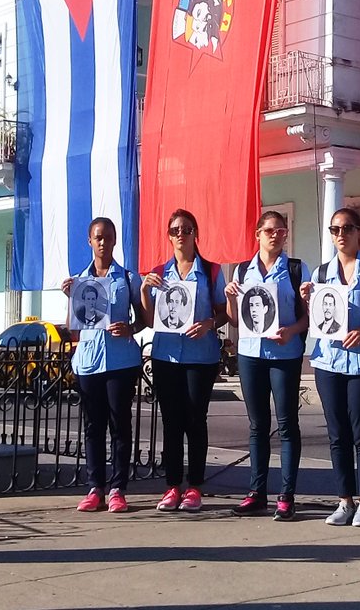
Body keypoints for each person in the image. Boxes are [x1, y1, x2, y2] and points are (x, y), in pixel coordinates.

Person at [303, 206, 360, 528]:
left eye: (348, 228)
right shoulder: (322, 273)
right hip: (329, 361)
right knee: (337, 434)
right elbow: (317, 317)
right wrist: (307, 299)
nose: (341, 234)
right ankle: (344, 500)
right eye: (335, 229)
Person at [140, 209, 228, 514]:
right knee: (171, 422)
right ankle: (172, 485)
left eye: (187, 229)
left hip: (200, 357)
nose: (181, 234)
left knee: (195, 420)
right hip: (166, 355)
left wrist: (208, 324)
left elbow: (223, 311)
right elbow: (151, 320)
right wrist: (143, 290)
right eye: (176, 230)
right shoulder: (159, 273)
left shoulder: (211, 271)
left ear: (195, 234)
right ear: (169, 235)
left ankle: (194, 486)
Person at [225, 210, 310, 521]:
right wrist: (231, 297)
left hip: (284, 355)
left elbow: (307, 317)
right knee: (257, 426)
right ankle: (256, 492)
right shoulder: (242, 270)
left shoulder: (297, 269)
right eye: (270, 230)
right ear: (257, 235)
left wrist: (291, 330)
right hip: (250, 353)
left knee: (287, 425)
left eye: (281, 230)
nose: (276, 235)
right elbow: (236, 320)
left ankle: (286, 495)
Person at [60, 217, 145, 514]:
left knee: (120, 425)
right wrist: (69, 297)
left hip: (120, 359)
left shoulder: (128, 279)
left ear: (114, 240)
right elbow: (73, 328)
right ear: (89, 241)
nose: (103, 242)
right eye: (98, 237)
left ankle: (118, 488)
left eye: (108, 237)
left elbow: (143, 318)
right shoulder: (79, 280)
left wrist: (130, 329)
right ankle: (95, 486)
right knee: (93, 426)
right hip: (88, 361)